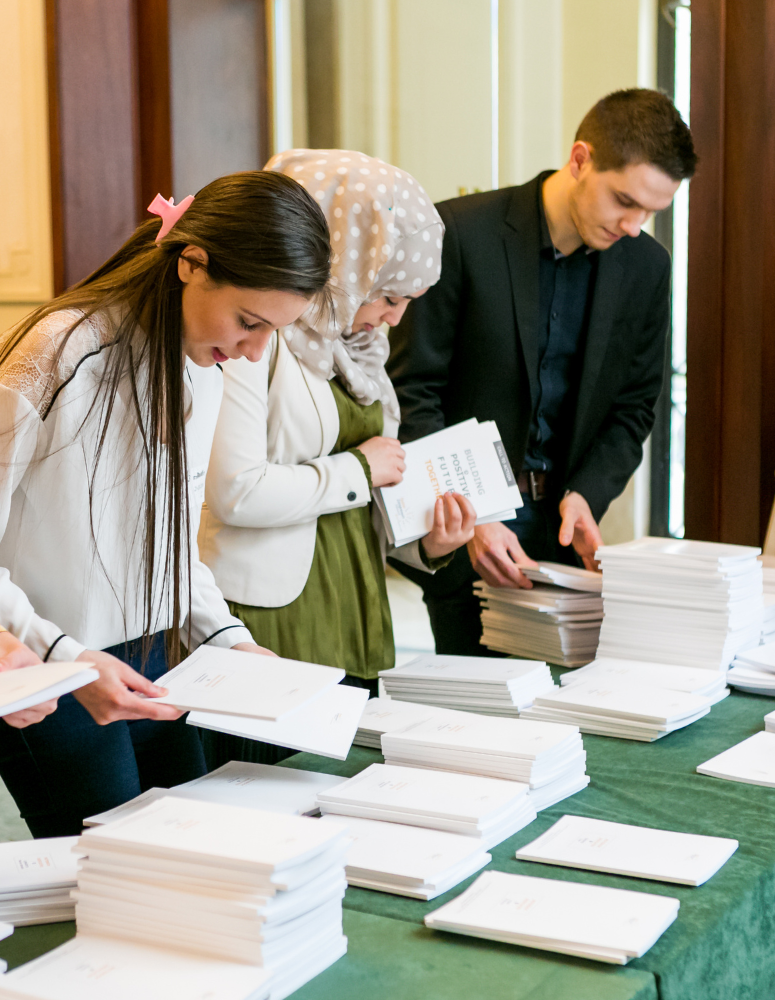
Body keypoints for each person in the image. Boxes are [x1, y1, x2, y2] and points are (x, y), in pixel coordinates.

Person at [0, 170, 332, 835]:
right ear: (190, 263)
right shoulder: (60, 350)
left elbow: (172, 540)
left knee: (190, 847)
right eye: (248, 322)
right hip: (49, 665)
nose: (252, 352)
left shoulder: (199, 363)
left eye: (274, 333)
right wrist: (61, 652)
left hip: (160, 657)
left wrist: (229, 639)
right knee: (107, 872)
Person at [387, 88, 697, 655]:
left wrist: (587, 494)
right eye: (624, 200)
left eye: (652, 211)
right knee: (477, 722)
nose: (634, 225)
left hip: (565, 531)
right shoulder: (460, 233)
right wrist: (470, 513)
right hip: (464, 531)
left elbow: (634, 409)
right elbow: (412, 392)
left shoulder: (647, 267)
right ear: (580, 159)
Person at [199, 150, 475, 764]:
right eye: (385, 293)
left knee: (347, 792)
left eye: (409, 300)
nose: (393, 318)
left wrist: (424, 543)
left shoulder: (360, 349)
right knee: (265, 797)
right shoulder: (254, 338)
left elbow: (372, 486)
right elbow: (236, 491)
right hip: (270, 612)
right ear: (345, 266)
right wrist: (358, 470)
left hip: (353, 598)